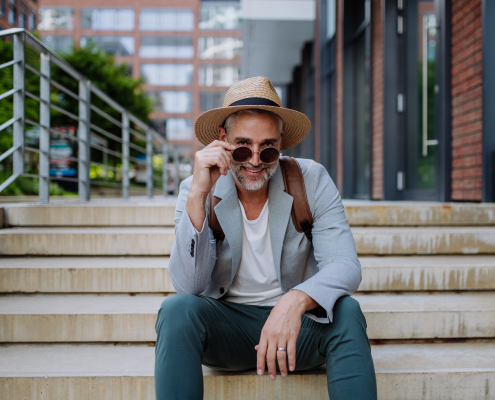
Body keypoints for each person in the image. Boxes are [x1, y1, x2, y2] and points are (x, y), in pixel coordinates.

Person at [154, 76, 377, 400]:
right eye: (243, 146)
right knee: (176, 311)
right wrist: (199, 195)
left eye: (268, 149)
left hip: (297, 331)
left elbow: (345, 265)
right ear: (222, 138)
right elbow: (188, 285)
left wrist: (294, 302)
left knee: (347, 312)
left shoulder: (310, 179)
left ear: (281, 143)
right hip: (227, 333)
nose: (256, 161)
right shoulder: (197, 188)